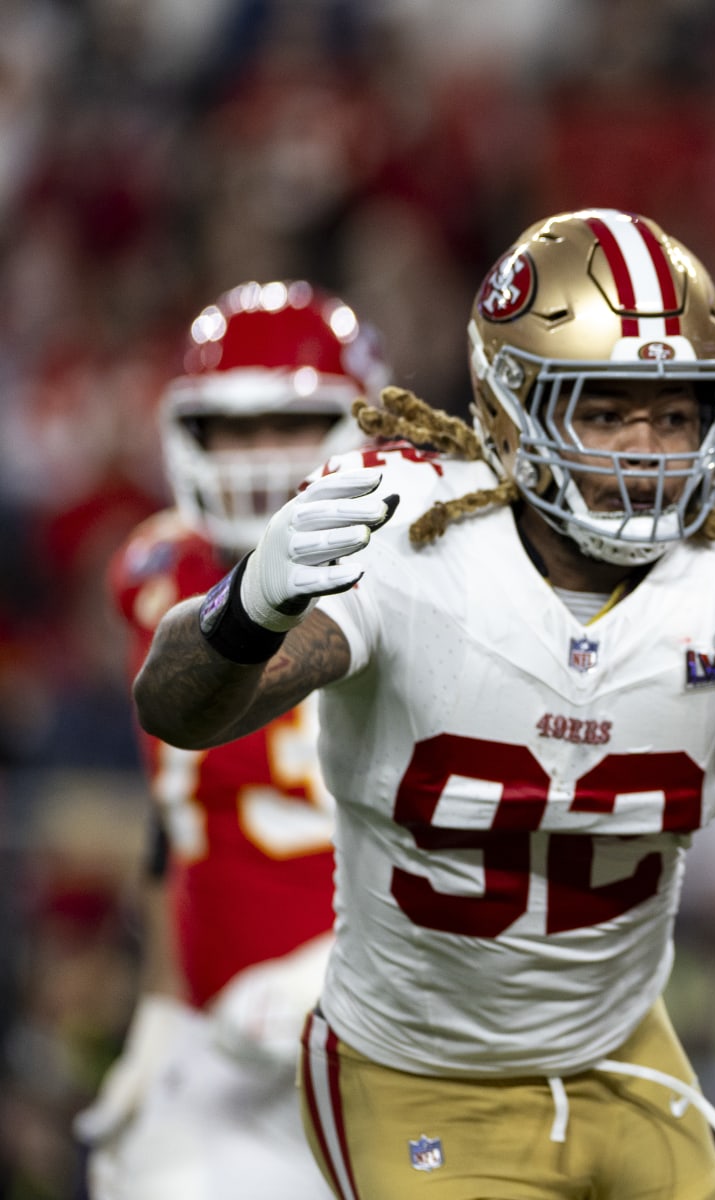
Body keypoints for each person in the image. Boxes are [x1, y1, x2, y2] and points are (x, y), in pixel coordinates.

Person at [129, 208, 715, 1200]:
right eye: (604, 412)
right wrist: (246, 605)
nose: (647, 448)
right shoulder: (409, 538)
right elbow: (183, 707)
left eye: (676, 411)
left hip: (621, 1053)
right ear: (512, 413)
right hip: (425, 1076)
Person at [79, 280, 385, 1200]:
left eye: (287, 426)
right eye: (231, 429)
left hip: (385, 1026)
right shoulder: (156, 572)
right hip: (220, 1033)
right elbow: (175, 826)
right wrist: (161, 1010)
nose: (257, 457)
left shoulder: (413, 569)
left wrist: (355, 978)